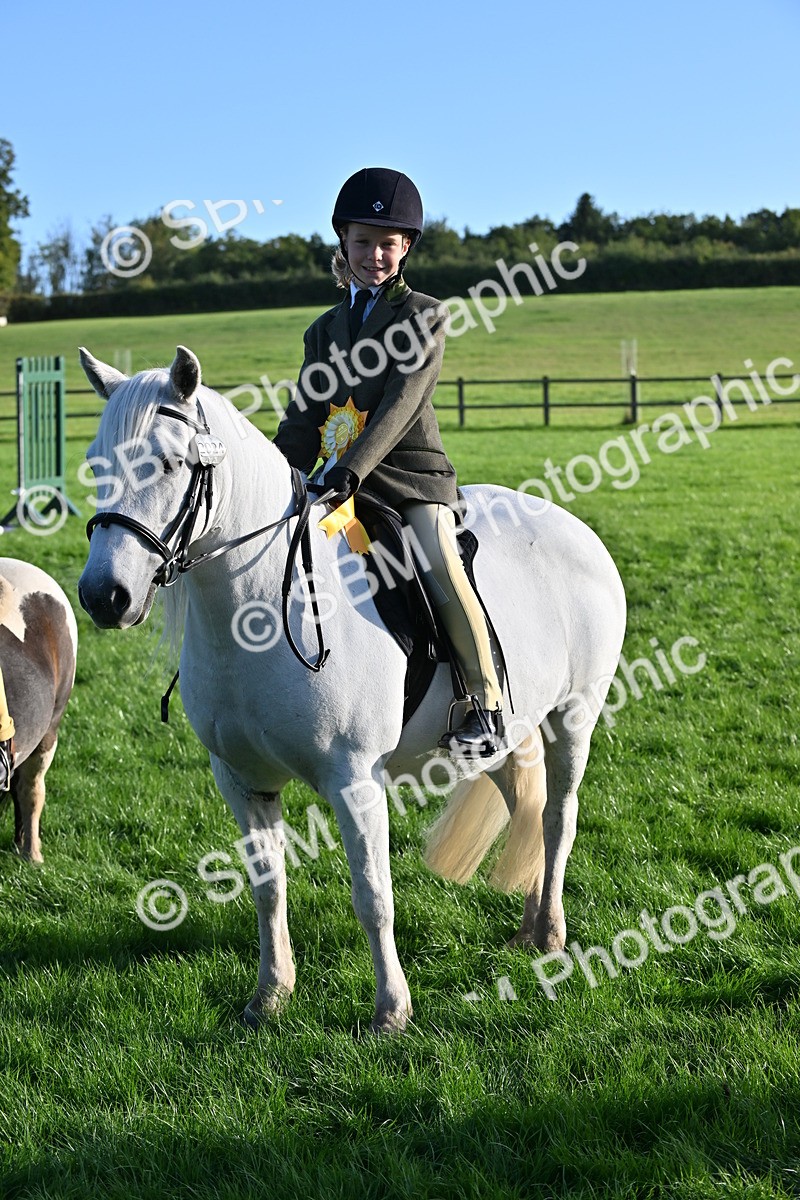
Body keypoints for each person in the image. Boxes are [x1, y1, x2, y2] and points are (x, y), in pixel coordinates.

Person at [273, 167, 504, 756]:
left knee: (438, 559)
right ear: (343, 244)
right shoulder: (322, 330)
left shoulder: (423, 314)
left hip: (407, 478)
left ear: (405, 248)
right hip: (335, 480)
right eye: (363, 242)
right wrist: (279, 474)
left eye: (387, 244)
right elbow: (303, 417)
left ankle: (486, 704)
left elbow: (399, 408)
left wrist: (350, 469)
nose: (375, 255)